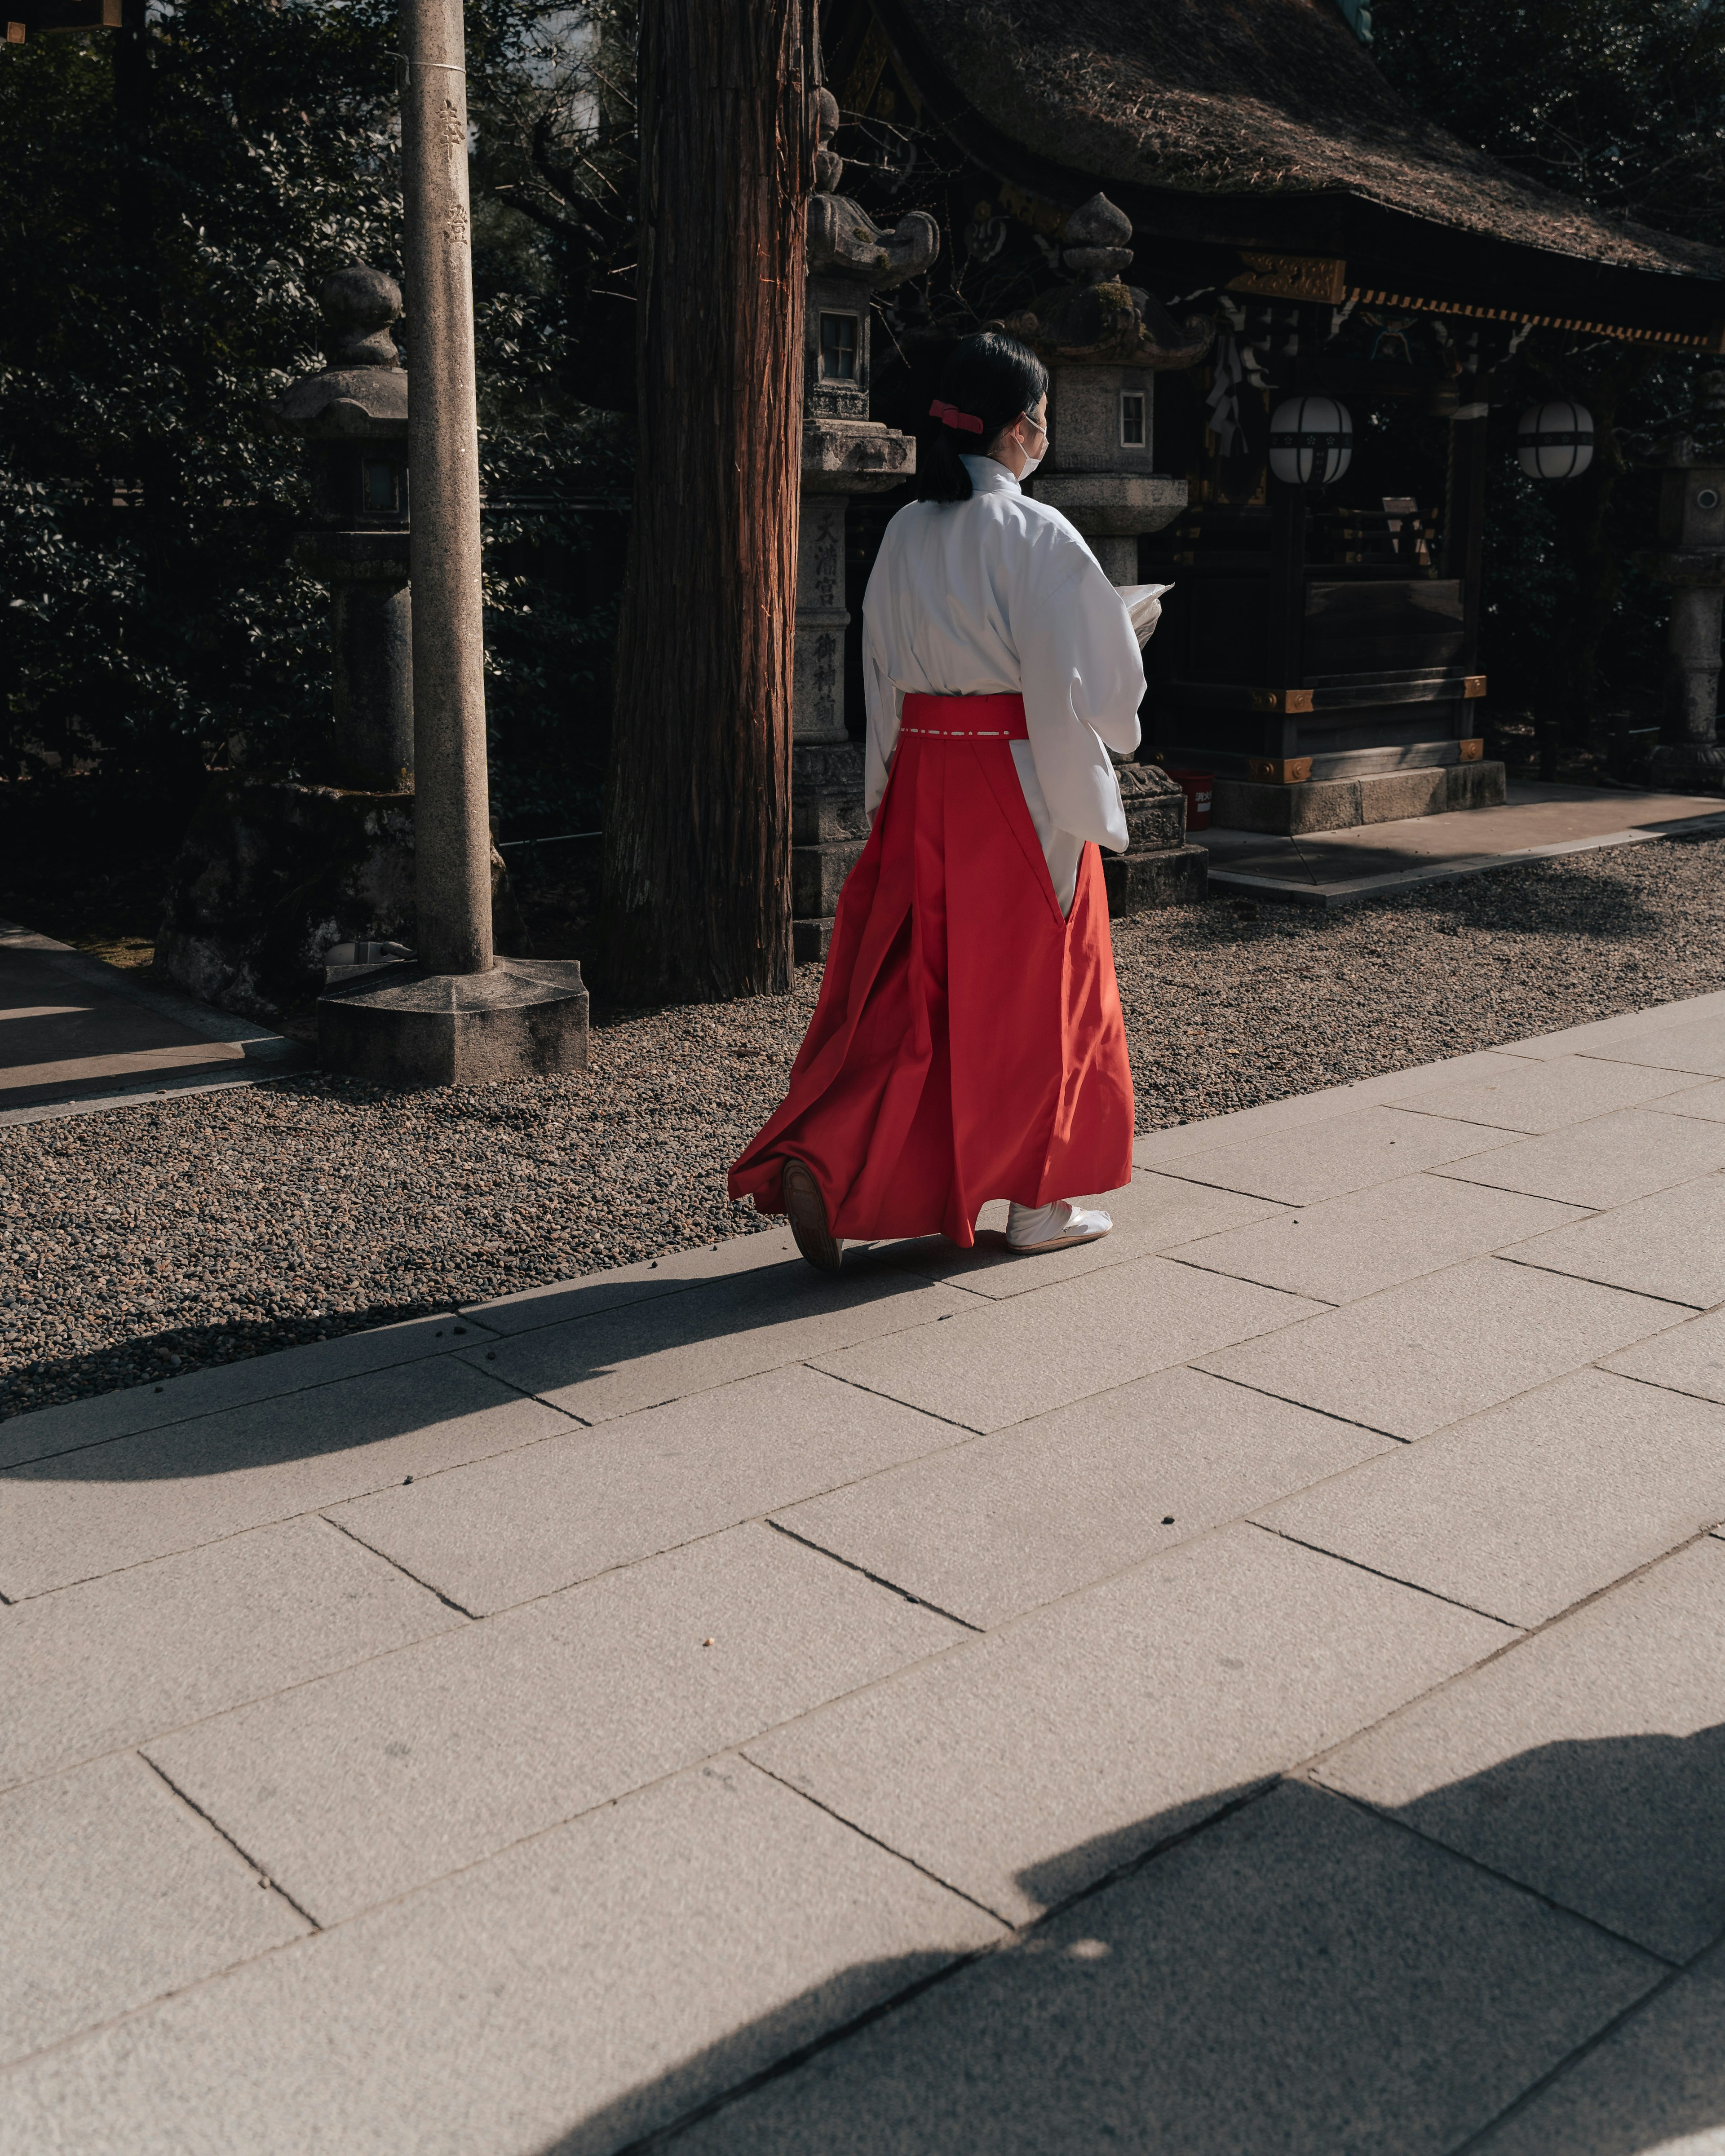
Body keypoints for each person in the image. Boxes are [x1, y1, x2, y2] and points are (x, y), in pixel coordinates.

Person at [729, 329, 1152, 1271]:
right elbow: (1090, 687)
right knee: (1045, 989)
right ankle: (1039, 1201)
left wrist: (884, 786)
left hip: (924, 769)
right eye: (1039, 418)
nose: (1043, 433)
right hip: (1015, 780)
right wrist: (1126, 642)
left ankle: (828, 1162)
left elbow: (881, 676)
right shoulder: (1040, 534)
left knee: (909, 995)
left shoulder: (908, 533)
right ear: (1020, 428)